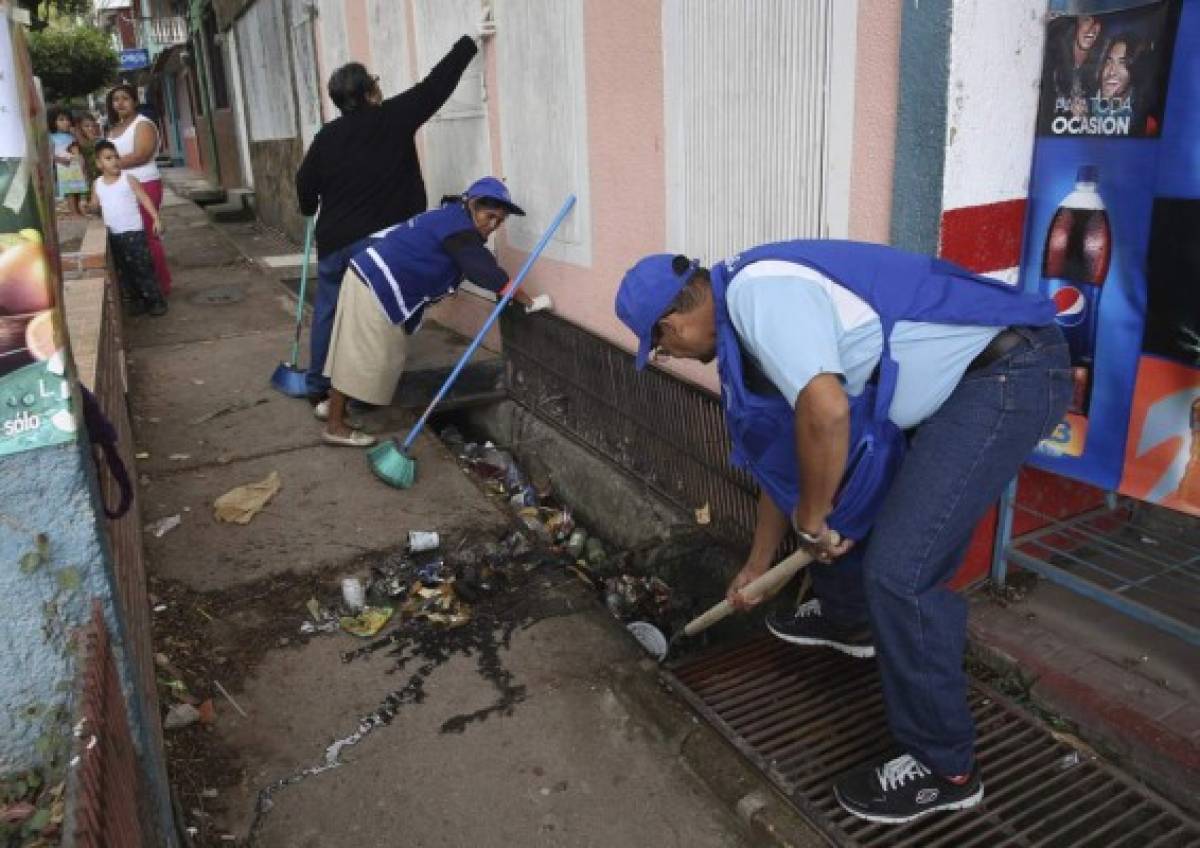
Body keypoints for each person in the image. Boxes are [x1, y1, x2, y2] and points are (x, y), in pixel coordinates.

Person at [615, 243, 1071, 824]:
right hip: (956, 389)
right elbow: (782, 462)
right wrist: (759, 564)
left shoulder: (759, 294)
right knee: (832, 493)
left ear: (671, 323)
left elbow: (827, 413)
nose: (670, 354)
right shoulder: (743, 333)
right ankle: (850, 620)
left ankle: (946, 768)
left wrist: (812, 521)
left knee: (902, 574)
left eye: (660, 346)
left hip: (1006, 374)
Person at [296, 33, 484, 405]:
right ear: (369, 93)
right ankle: (365, 392)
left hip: (334, 241)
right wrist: (468, 42)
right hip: (381, 244)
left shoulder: (326, 137)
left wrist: (307, 207)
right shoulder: (394, 117)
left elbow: (305, 184)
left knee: (329, 311)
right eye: (375, 83)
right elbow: (435, 86)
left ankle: (319, 381)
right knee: (379, 317)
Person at [318, 177, 550, 446]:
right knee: (365, 355)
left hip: (372, 277)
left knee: (358, 350)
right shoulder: (458, 229)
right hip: (376, 284)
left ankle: (332, 408)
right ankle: (335, 425)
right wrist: (528, 301)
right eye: (489, 216)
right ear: (473, 205)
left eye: (500, 219)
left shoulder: (452, 217)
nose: (493, 225)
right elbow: (485, 272)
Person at [87, 140, 167, 317]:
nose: (114, 161)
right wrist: (89, 207)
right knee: (123, 270)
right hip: (113, 235)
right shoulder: (97, 184)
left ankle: (155, 301)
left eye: (116, 157)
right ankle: (136, 302)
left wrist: (155, 218)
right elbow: (95, 204)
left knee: (143, 268)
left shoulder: (128, 180)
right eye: (108, 158)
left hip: (134, 233)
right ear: (99, 163)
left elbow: (145, 199)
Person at [106, 84, 172, 296]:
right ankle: (141, 288)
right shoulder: (114, 128)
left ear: (135, 101)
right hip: (121, 187)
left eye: (125, 98)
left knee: (147, 234)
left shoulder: (143, 124)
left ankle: (161, 285)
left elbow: (141, 154)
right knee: (130, 235)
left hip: (145, 183)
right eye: (116, 99)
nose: (120, 103)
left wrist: (111, 165)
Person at [49, 109, 88, 216]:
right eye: (61, 120)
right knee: (70, 190)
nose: (66, 122)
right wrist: (60, 160)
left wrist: (76, 133)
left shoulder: (71, 135)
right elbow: (49, 155)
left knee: (78, 188)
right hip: (64, 167)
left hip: (76, 166)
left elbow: (82, 146)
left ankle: (79, 211)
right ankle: (74, 213)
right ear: (53, 122)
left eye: (67, 119)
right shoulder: (51, 137)